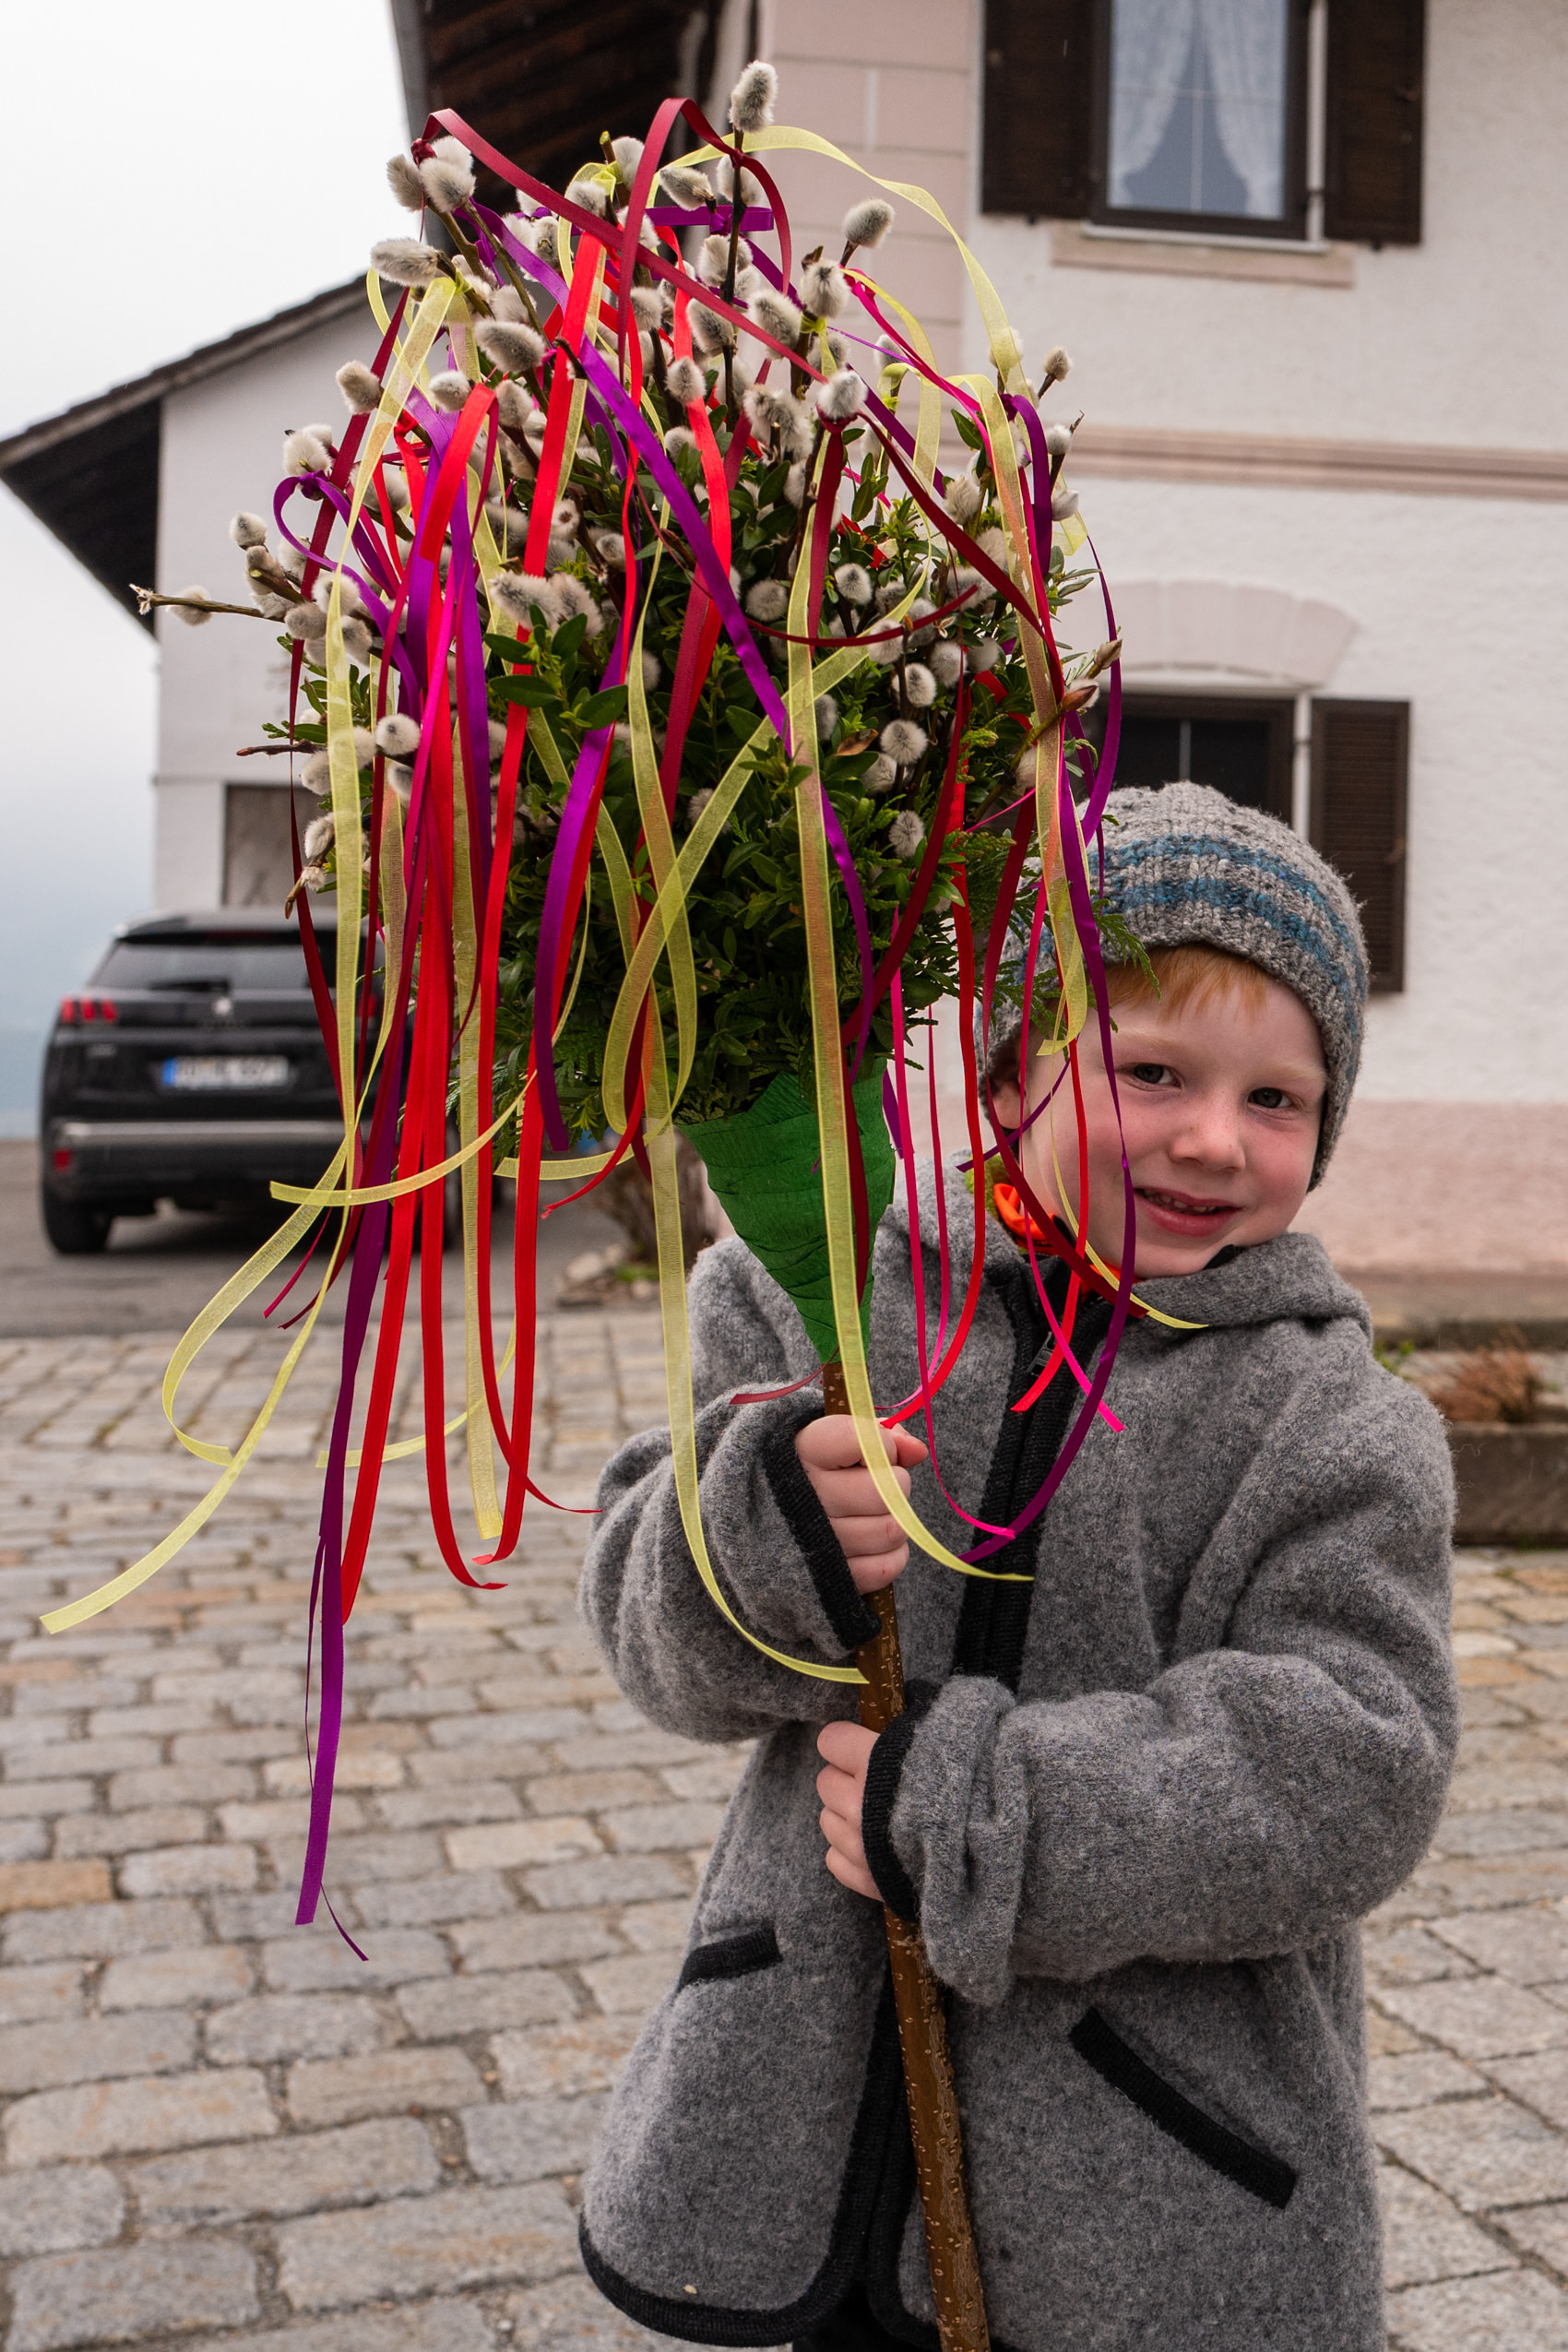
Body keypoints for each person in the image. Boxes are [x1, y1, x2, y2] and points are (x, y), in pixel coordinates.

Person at [576, 782, 1457, 2352]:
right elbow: (648, 1623)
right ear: (1005, 1069)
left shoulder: (1332, 1422)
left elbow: (1353, 1761)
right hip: (804, 2125)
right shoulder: (825, 1297)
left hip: (1155, 2189)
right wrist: (762, 1531)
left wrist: (990, 1809)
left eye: (1277, 1098)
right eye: (1153, 1069)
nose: (1212, 1136)